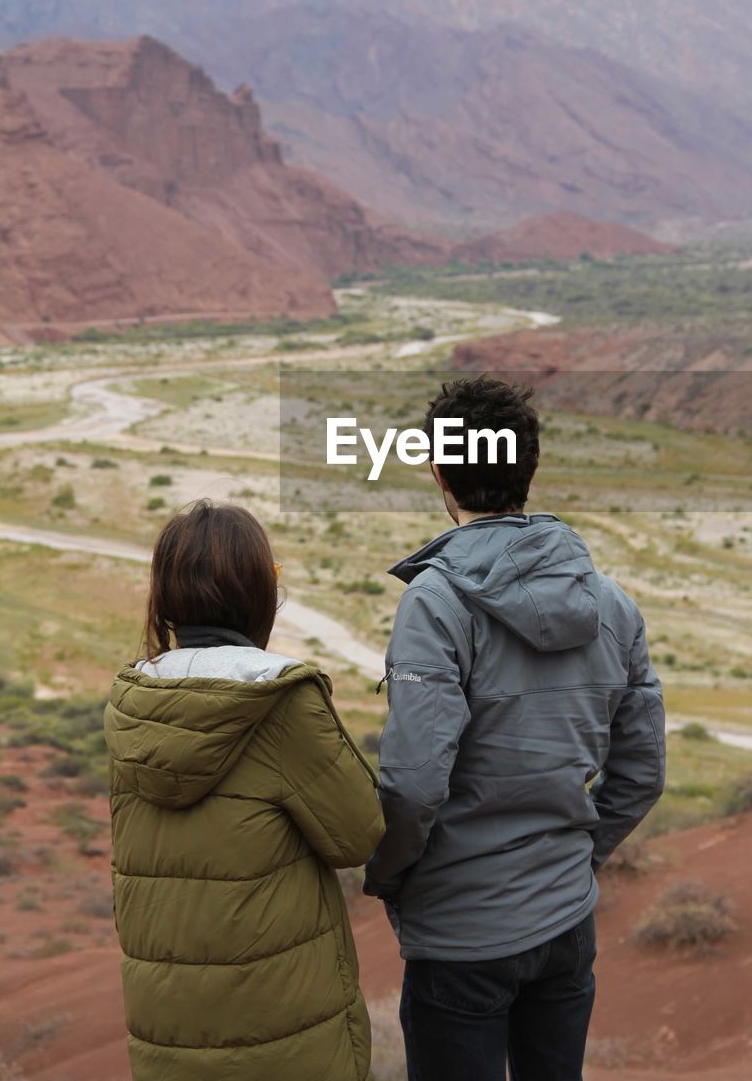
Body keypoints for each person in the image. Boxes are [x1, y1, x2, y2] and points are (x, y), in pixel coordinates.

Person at [363, 377, 666, 1081]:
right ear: (526, 468)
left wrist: (392, 874)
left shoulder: (436, 602)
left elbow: (411, 785)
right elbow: (642, 772)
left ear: (439, 473)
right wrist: (576, 859)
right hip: (565, 925)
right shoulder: (611, 604)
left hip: (461, 936)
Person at [104, 499, 384, 1081]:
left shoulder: (131, 706)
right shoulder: (280, 701)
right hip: (283, 1032)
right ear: (258, 591)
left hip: (167, 1031)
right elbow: (360, 835)